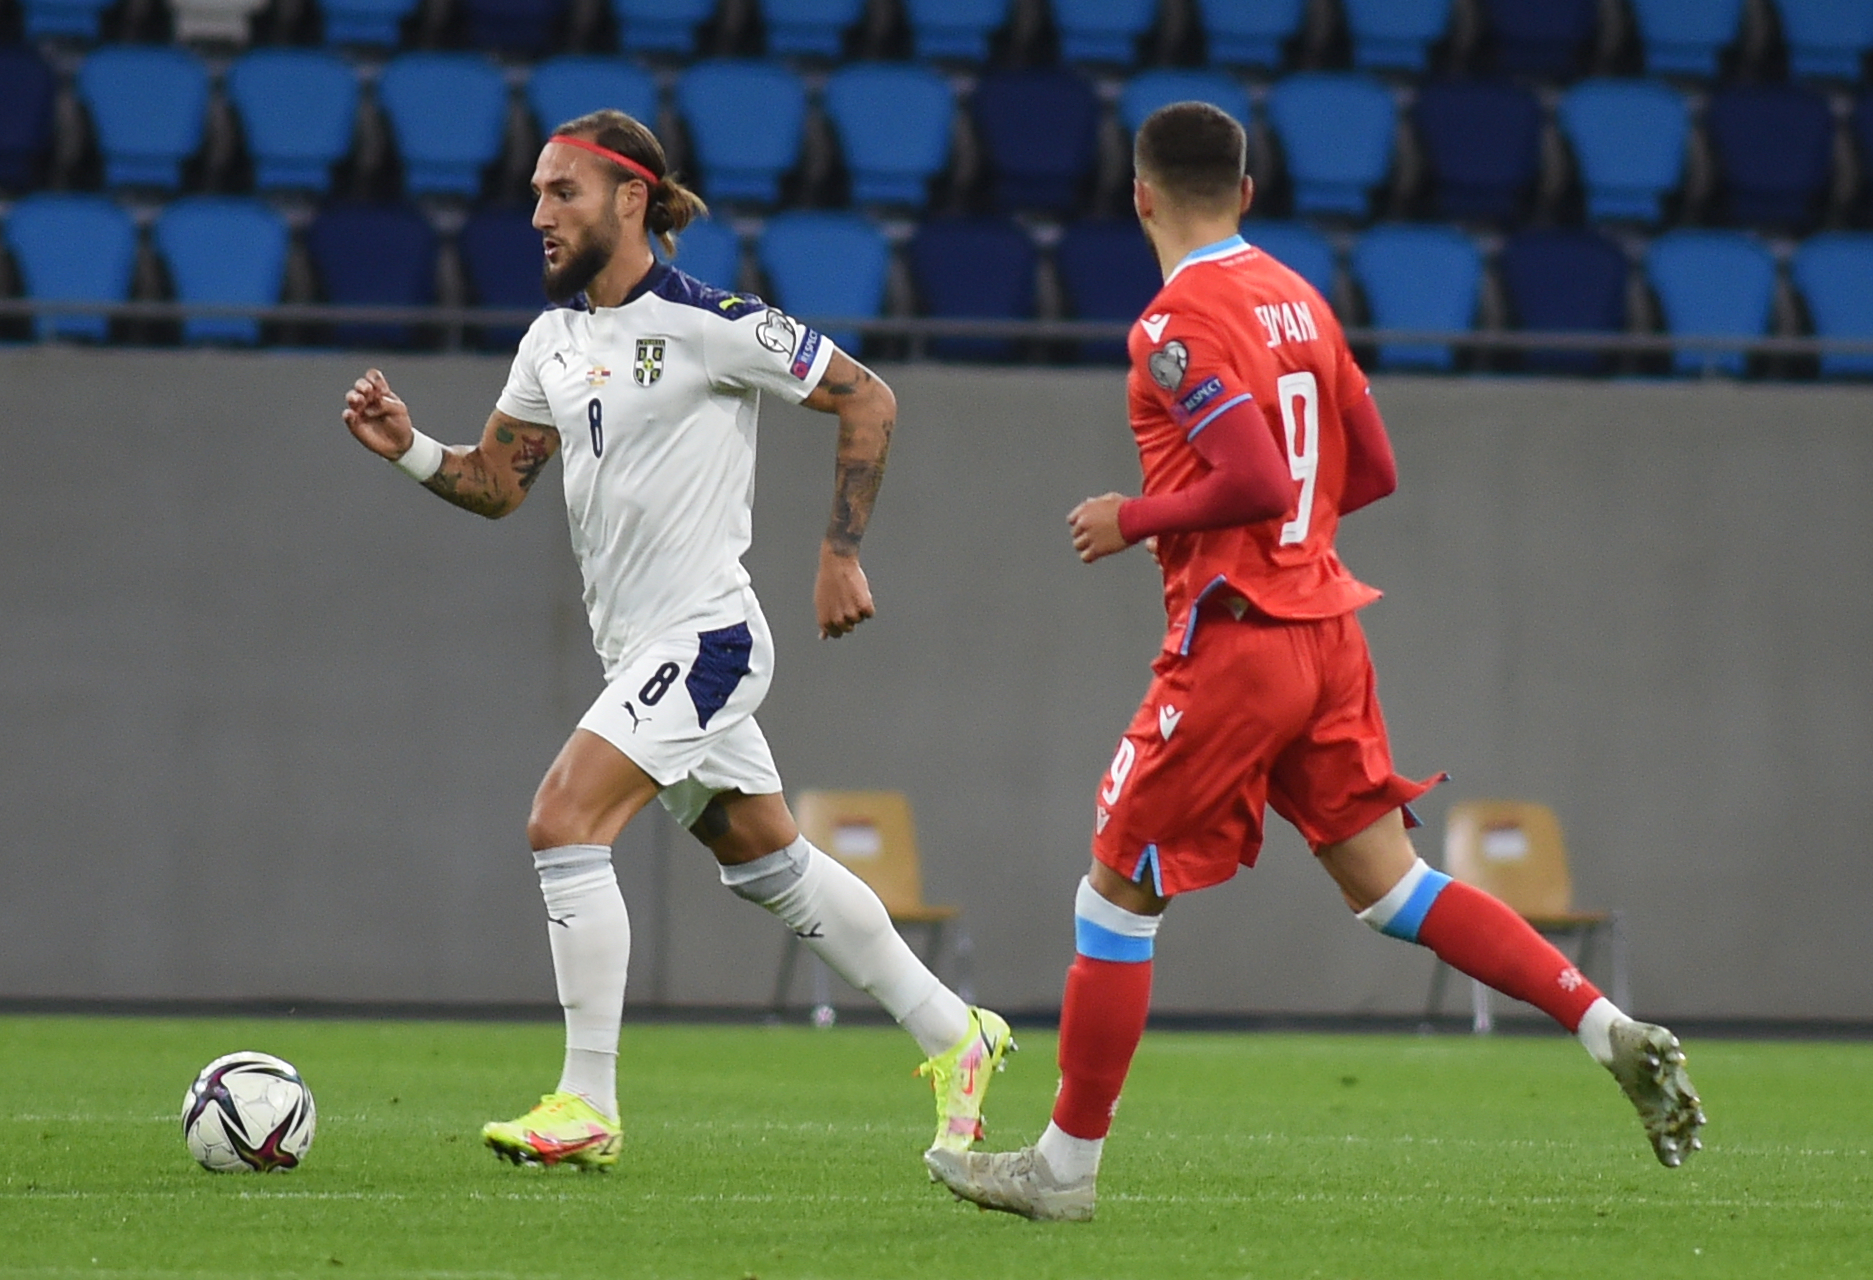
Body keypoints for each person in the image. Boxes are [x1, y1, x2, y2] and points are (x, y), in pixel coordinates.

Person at [924, 102, 1704, 1222]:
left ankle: (1063, 1166)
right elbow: (1371, 467)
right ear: (1246, 192)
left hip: (1237, 642)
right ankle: (1601, 1021)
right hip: (1327, 634)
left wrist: (1132, 514)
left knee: (1114, 894)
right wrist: (1291, 537)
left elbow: (1249, 476)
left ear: (1139, 195)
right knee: (1391, 888)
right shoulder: (1300, 298)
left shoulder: (1171, 322)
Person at [341, 109, 1012, 1171]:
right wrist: (410, 448)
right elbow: (498, 482)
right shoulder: (550, 339)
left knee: (562, 819)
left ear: (631, 198)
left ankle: (587, 1099)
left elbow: (866, 397)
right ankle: (956, 1033)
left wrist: (839, 551)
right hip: (640, 652)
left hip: (706, 637)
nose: (538, 214)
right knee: (770, 865)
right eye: (534, 192)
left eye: (561, 191)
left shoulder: (713, 321)